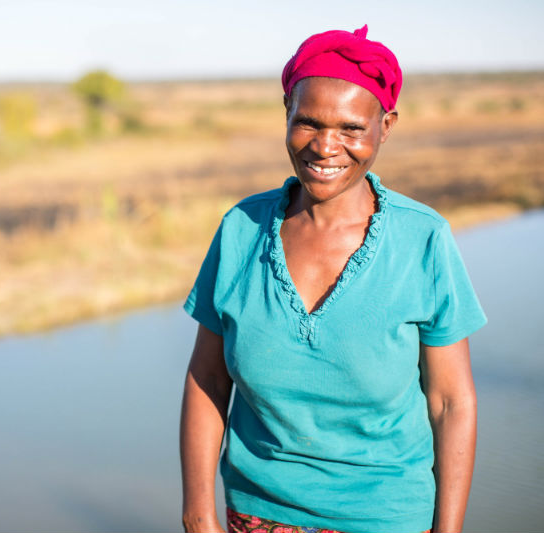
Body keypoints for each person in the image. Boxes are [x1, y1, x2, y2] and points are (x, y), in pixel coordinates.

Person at [179, 25, 486, 533]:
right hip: (257, 514)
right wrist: (197, 513)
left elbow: (451, 402)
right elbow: (208, 379)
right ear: (286, 116)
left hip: (385, 518)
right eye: (308, 123)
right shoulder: (242, 230)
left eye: (351, 128)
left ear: (385, 126)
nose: (325, 146)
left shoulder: (423, 240)